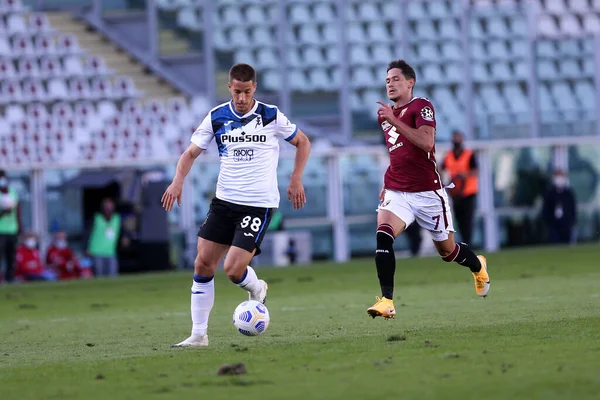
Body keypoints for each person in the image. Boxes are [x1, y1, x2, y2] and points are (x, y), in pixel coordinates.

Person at [161, 63, 311, 347]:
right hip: (224, 202)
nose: (241, 98)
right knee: (203, 263)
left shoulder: (270, 116)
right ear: (229, 88)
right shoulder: (216, 116)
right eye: (237, 92)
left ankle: (257, 287)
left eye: (247, 92)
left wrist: (296, 178)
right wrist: (177, 180)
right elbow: (190, 152)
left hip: (258, 205)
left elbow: (303, 142)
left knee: (232, 270)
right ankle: (198, 335)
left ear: (254, 88)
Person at [367, 60, 490, 319]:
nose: (390, 83)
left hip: (427, 193)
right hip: (397, 191)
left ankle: (478, 265)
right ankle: (387, 300)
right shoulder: (387, 115)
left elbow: (426, 142)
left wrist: (394, 120)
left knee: (447, 251)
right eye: (387, 80)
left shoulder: (421, 106)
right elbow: (397, 155)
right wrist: (386, 183)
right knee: (383, 235)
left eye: (396, 79)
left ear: (410, 82)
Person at [442, 130, 479, 245]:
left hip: (468, 192)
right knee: (458, 219)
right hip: (455, 192)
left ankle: (468, 243)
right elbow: (441, 169)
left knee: (467, 219)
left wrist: (464, 175)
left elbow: (476, 171)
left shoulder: (469, 154)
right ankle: (463, 242)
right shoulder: (448, 155)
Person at [87, 198, 121, 277]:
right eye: (106, 206)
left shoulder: (117, 218)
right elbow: (87, 233)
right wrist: (87, 248)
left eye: (110, 206)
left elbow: (122, 231)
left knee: (113, 275)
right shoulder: (96, 218)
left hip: (111, 252)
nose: (108, 208)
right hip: (96, 252)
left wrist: (125, 237)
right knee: (99, 275)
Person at [542, 169, 577, 244]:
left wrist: (572, 221)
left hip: (566, 224)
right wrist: (548, 222)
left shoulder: (569, 193)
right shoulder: (550, 193)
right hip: (553, 225)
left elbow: (573, 209)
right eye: (557, 177)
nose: (559, 179)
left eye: (561, 176)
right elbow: (545, 209)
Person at [0, 170, 22, 283]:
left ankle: (10, 278)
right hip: (1, 231)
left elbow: (18, 210)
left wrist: (19, 227)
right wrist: (3, 212)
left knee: (11, 256)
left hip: (12, 229)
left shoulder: (12, 192)